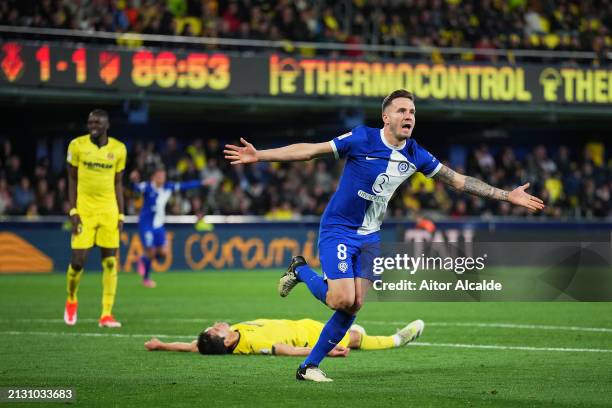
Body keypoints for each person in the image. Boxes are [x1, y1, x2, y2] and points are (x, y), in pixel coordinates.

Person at [224, 89, 545, 382]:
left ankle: (308, 366)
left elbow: (458, 181)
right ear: (386, 117)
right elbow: (311, 150)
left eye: (413, 112)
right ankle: (301, 270)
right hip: (339, 229)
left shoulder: (416, 154)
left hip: (370, 237)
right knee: (340, 299)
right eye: (403, 110)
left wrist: (507, 196)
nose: (409, 116)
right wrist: (260, 155)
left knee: (355, 305)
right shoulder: (362, 139)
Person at [64, 109, 127, 328]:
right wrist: (73, 211)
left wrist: (120, 213)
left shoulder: (119, 149)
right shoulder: (77, 145)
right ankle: (72, 298)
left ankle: (106, 314)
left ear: (106, 125)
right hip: (85, 210)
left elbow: (119, 183)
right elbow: (71, 180)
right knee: (78, 262)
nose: (93, 125)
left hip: (109, 209)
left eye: (97, 122)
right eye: (90, 122)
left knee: (110, 262)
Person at [144, 318, 424, 356]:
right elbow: (281, 350)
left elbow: (194, 347)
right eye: (216, 330)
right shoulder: (251, 344)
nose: (217, 324)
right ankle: (398, 339)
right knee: (352, 337)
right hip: (309, 338)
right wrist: (322, 353)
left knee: (352, 325)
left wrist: (161, 345)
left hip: (304, 324)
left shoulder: (230, 337)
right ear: (226, 341)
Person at [129, 166, 215, 287]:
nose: (162, 178)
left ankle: (143, 259)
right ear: (154, 176)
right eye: (159, 176)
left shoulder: (167, 187)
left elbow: (185, 185)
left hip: (158, 225)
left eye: (163, 176)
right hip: (146, 224)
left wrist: (202, 182)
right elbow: (134, 188)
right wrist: (133, 180)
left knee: (163, 253)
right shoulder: (147, 186)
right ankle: (146, 279)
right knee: (150, 251)